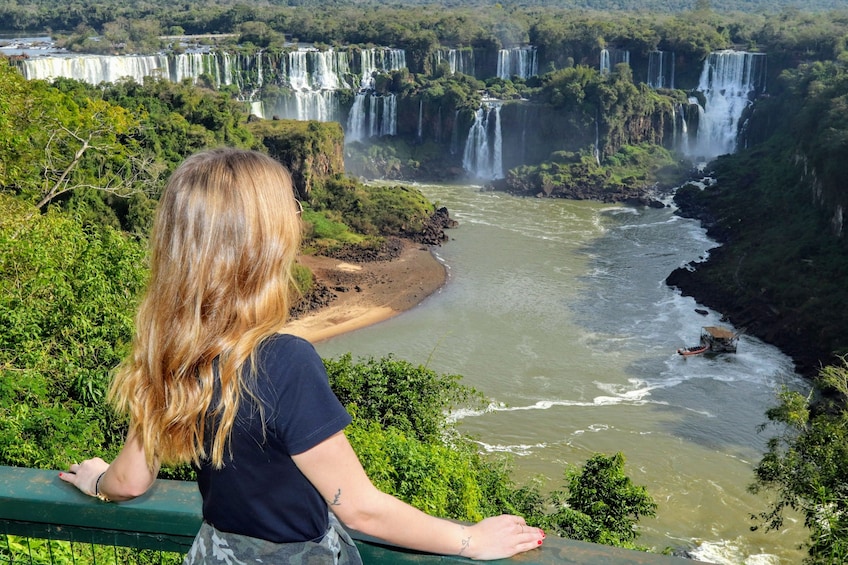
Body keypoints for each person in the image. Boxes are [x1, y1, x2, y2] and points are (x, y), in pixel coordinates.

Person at [59, 148, 545, 563]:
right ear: (263, 244)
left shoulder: (169, 351)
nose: (297, 215)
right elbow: (359, 508)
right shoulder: (282, 361)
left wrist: (96, 481)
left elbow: (130, 481)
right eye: (289, 207)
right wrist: (470, 539)